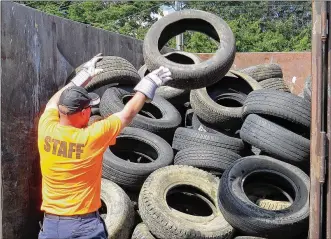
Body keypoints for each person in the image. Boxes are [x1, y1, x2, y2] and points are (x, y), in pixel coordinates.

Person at [37, 53, 172, 239]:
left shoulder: (46, 128)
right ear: (84, 112)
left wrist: (83, 77)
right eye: (89, 108)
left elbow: (53, 102)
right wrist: (150, 82)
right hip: (83, 227)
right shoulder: (91, 137)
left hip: (52, 226)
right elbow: (127, 114)